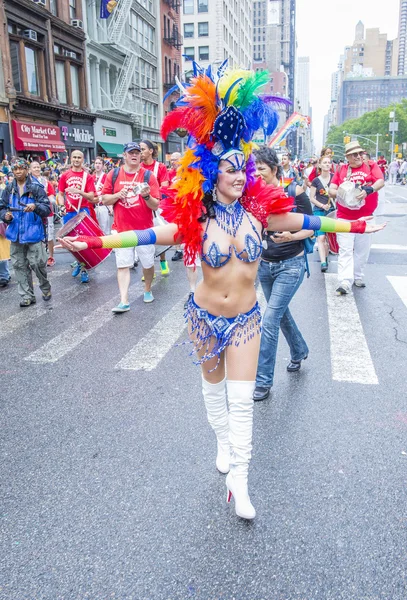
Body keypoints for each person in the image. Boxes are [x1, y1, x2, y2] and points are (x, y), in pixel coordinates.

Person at [57, 68, 384, 521]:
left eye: (240, 167)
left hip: (247, 319)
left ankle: (241, 482)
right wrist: (90, 243)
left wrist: (359, 224)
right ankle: (221, 443)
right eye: (227, 168)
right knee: (214, 396)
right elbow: (145, 236)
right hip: (204, 319)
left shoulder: (258, 214)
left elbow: (310, 223)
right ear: (211, 174)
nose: (236, 175)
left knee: (242, 401)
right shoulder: (195, 220)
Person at [252, 146, 314, 402]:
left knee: (270, 319)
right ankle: (299, 350)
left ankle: (263, 381)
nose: (257, 173)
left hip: (292, 264)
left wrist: (292, 235)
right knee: (280, 314)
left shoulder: (295, 191)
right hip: (265, 265)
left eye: (262, 169)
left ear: (275, 169)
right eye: (254, 168)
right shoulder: (252, 195)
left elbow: (311, 227)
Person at [101, 141, 160, 310]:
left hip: (144, 229)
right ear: (124, 155)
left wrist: (147, 197)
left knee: (147, 264)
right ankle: (124, 300)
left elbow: (155, 205)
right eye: (131, 152)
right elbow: (104, 199)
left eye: (137, 152)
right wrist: (118, 195)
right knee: (123, 264)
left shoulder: (148, 176)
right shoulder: (113, 174)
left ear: (140, 156)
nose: (134, 155)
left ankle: (147, 290)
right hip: (122, 228)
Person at [329, 140, 385, 294]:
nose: (359, 156)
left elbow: (380, 181)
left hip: (366, 217)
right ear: (347, 157)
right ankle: (345, 281)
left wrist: (369, 189)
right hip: (345, 217)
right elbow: (331, 189)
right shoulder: (341, 169)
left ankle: (357, 275)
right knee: (345, 250)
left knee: (362, 250)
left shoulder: (371, 166)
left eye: (360, 153)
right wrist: (341, 191)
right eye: (354, 154)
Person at [0, 158, 51, 306]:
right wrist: (5, 216)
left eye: (21, 169)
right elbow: (2, 207)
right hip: (15, 234)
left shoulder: (36, 188)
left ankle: (45, 287)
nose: (18, 171)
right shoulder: (9, 189)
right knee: (19, 266)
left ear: (26, 170)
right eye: (15, 169)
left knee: (37, 264)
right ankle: (27, 296)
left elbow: (47, 209)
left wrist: (35, 206)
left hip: (33, 233)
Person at [57, 150, 96, 283]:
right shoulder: (65, 175)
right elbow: (60, 194)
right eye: (74, 157)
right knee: (70, 242)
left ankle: (84, 269)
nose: (76, 160)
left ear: (82, 159)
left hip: (83, 211)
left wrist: (78, 191)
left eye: (79, 157)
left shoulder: (87, 176)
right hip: (69, 212)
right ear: (71, 159)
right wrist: (61, 206)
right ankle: (79, 262)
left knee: (83, 242)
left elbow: (92, 196)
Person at [140, 140, 171, 275]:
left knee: (159, 234)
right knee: (145, 238)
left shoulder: (160, 167)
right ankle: (148, 269)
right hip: (141, 206)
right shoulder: (138, 167)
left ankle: (163, 261)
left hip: (157, 205)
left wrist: (152, 193)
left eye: (142, 149)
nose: (140, 152)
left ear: (151, 151)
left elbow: (164, 186)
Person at [29, 161, 57, 267]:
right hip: (32, 212)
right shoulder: (27, 182)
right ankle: (36, 257)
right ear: (30, 169)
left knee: (49, 235)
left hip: (46, 211)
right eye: (34, 167)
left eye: (37, 167)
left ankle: (50, 256)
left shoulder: (45, 182)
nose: (36, 169)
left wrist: (49, 199)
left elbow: (52, 197)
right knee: (34, 235)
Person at [309, 156, 334, 272]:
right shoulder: (316, 181)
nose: (327, 164)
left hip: (332, 211)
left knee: (329, 238)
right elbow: (311, 198)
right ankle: (323, 262)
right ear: (320, 165)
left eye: (329, 162)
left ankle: (326, 256)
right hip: (319, 211)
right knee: (321, 236)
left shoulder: (334, 178)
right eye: (325, 163)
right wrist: (322, 205)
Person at [92, 156, 112, 235]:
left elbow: (110, 192)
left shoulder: (106, 177)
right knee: (94, 229)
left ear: (103, 166)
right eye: (96, 163)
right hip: (93, 206)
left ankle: (106, 247)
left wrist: (111, 206)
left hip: (103, 206)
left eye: (99, 163)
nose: (97, 165)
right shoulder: (91, 177)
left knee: (104, 230)